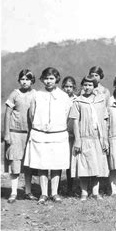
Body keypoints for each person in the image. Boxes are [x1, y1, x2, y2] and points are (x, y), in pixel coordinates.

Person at [24, 67, 72, 204]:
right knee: (42, 165)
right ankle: (44, 194)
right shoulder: (37, 95)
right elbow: (31, 114)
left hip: (58, 135)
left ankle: (55, 193)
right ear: (42, 80)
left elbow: (67, 115)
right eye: (46, 78)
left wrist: (57, 127)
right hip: (41, 135)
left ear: (57, 79)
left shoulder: (63, 96)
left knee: (57, 165)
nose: (48, 81)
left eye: (51, 78)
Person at [70, 75, 109, 201]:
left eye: (90, 85)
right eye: (85, 85)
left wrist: (104, 139)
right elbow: (75, 121)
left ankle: (96, 192)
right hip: (84, 137)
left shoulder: (100, 100)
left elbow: (104, 120)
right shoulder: (78, 101)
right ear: (82, 86)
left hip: (97, 137)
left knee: (97, 165)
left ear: (94, 87)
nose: (87, 87)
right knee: (84, 165)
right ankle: (84, 192)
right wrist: (77, 139)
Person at [3, 69, 37, 203]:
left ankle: (28, 191)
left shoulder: (35, 95)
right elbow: (7, 114)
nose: (25, 82)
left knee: (28, 164)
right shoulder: (14, 94)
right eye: (22, 79)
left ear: (32, 81)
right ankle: (13, 192)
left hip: (30, 134)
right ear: (19, 80)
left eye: (28, 79)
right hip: (15, 133)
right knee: (15, 162)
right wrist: (6, 133)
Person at [61, 76, 78, 196]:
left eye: (71, 87)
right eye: (66, 86)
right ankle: (55, 187)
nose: (68, 89)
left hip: (72, 133)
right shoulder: (60, 98)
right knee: (59, 161)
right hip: (61, 132)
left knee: (70, 162)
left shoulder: (76, 100)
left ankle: (70, 187)